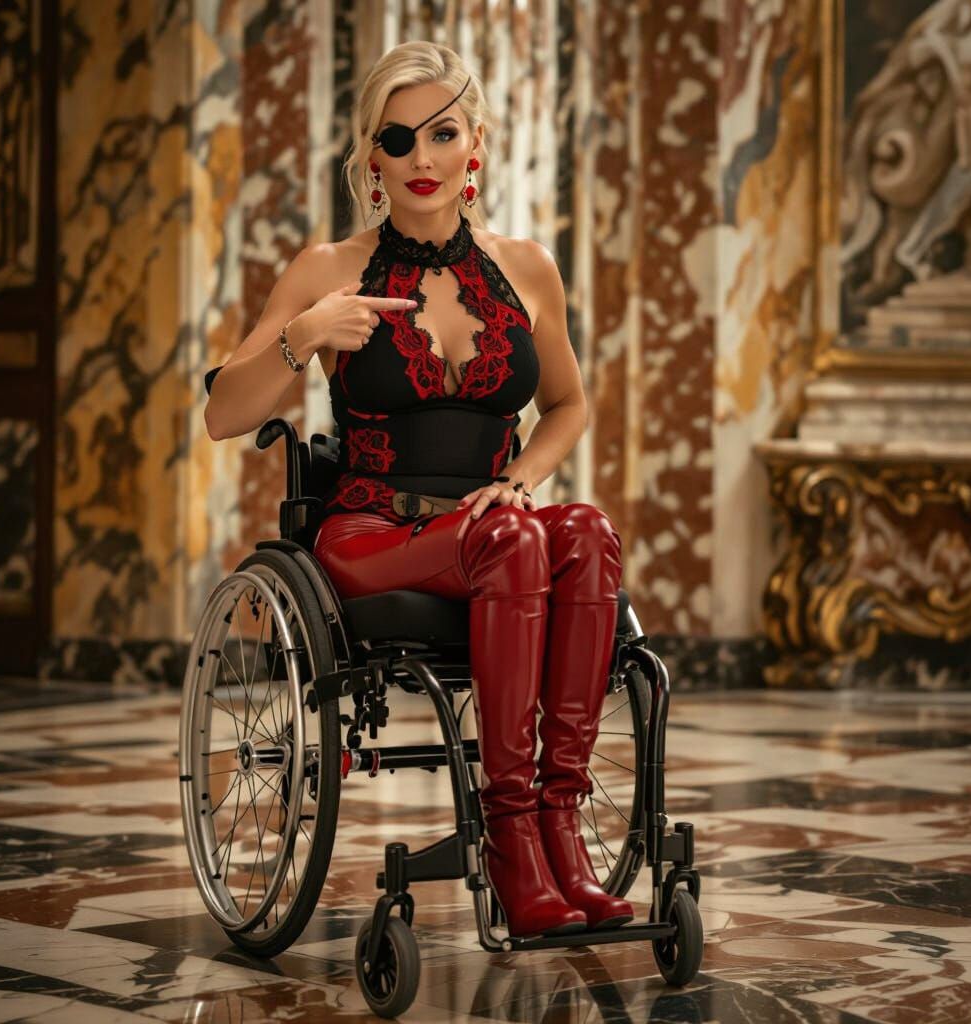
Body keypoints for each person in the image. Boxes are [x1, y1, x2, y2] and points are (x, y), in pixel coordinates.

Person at [205, 40, 633, 940]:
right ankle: (513, 846)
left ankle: (562, 833)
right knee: (515, 540)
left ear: (475, 142)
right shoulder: (329, 269)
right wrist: (306, 334)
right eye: (397, 141)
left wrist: (518, 479)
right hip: (367, 536)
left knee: (585, 527)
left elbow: (567, 404)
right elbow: (221, 415)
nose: (422, 159)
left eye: (442, 133)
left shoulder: (526, 269)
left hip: (488, 522)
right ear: (370, 159)